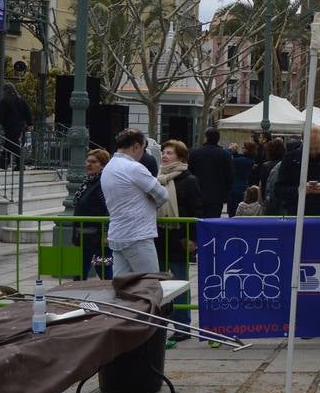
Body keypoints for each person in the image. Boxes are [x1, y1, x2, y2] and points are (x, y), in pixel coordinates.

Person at [99, 128, 169, 278]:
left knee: (122, 286)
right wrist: (150, 200)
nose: (143, 153)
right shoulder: (134, 168)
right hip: (138, 235)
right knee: (150, 284)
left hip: (118, 234)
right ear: (136, 146)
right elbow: (162, 195)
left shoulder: (109, 167)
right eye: (143, 149)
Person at [157, 139, 202, 341]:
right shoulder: (157, 179)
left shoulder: (189, 180)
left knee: (179, 282)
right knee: (157, 284)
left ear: (181, 158)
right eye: (164, 152)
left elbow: (195, 211)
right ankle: (158, 323)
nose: (165, 155)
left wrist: (193, 239)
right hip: (158, 237)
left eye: (170, 153)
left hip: (179, 239)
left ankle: (182, 326)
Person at [276, 126, 320, 216]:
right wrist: (299, 190)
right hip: (297, 213)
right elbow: (278, 190)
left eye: (317, 148)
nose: (313, 152)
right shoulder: (290, 159)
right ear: (303, 142)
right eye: (309, 148)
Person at [73, 149, 111, 279]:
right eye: (87, 161)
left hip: (98, 238)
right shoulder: (89, 181)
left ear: (103, 165)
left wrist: (105, 233)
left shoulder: (102, 183)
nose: (89, 164)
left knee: (104, 271)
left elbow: (108, 207)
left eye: (94, 162)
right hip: (85, 236)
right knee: (80, 270)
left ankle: (111, 295)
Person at [188, 128, 234, 221]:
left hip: (198, 194)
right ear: (218, 138)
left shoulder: (195, 153)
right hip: (217, 196)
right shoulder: (225, 155)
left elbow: (189, 173)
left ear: (206, 137)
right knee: (213, 222)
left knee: (198, 223)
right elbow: (230, 176)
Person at [0, 83, 33, 168]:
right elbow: (27, 112)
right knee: (10, 142)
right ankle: (5, 162)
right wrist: (29, 123)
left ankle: (18, 163)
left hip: (9, 125)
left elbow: (0, 113)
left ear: (6, 91)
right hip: (19, 126)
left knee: (12, 143)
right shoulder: (21, 100)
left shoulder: (5, 100)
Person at [256, 137, 287, 214]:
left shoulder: (266, 166)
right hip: (283, 202)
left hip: (269, 201)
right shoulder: (286, 164)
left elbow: (263, 186)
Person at [228, 142, 256, 217]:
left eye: (243, 147)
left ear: (247, 150)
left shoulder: (240, 161)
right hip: (245, 187)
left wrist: (230, 150)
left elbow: (229, 160)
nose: (242, 149)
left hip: (236, 189)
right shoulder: (251, 160)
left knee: (233, 212)